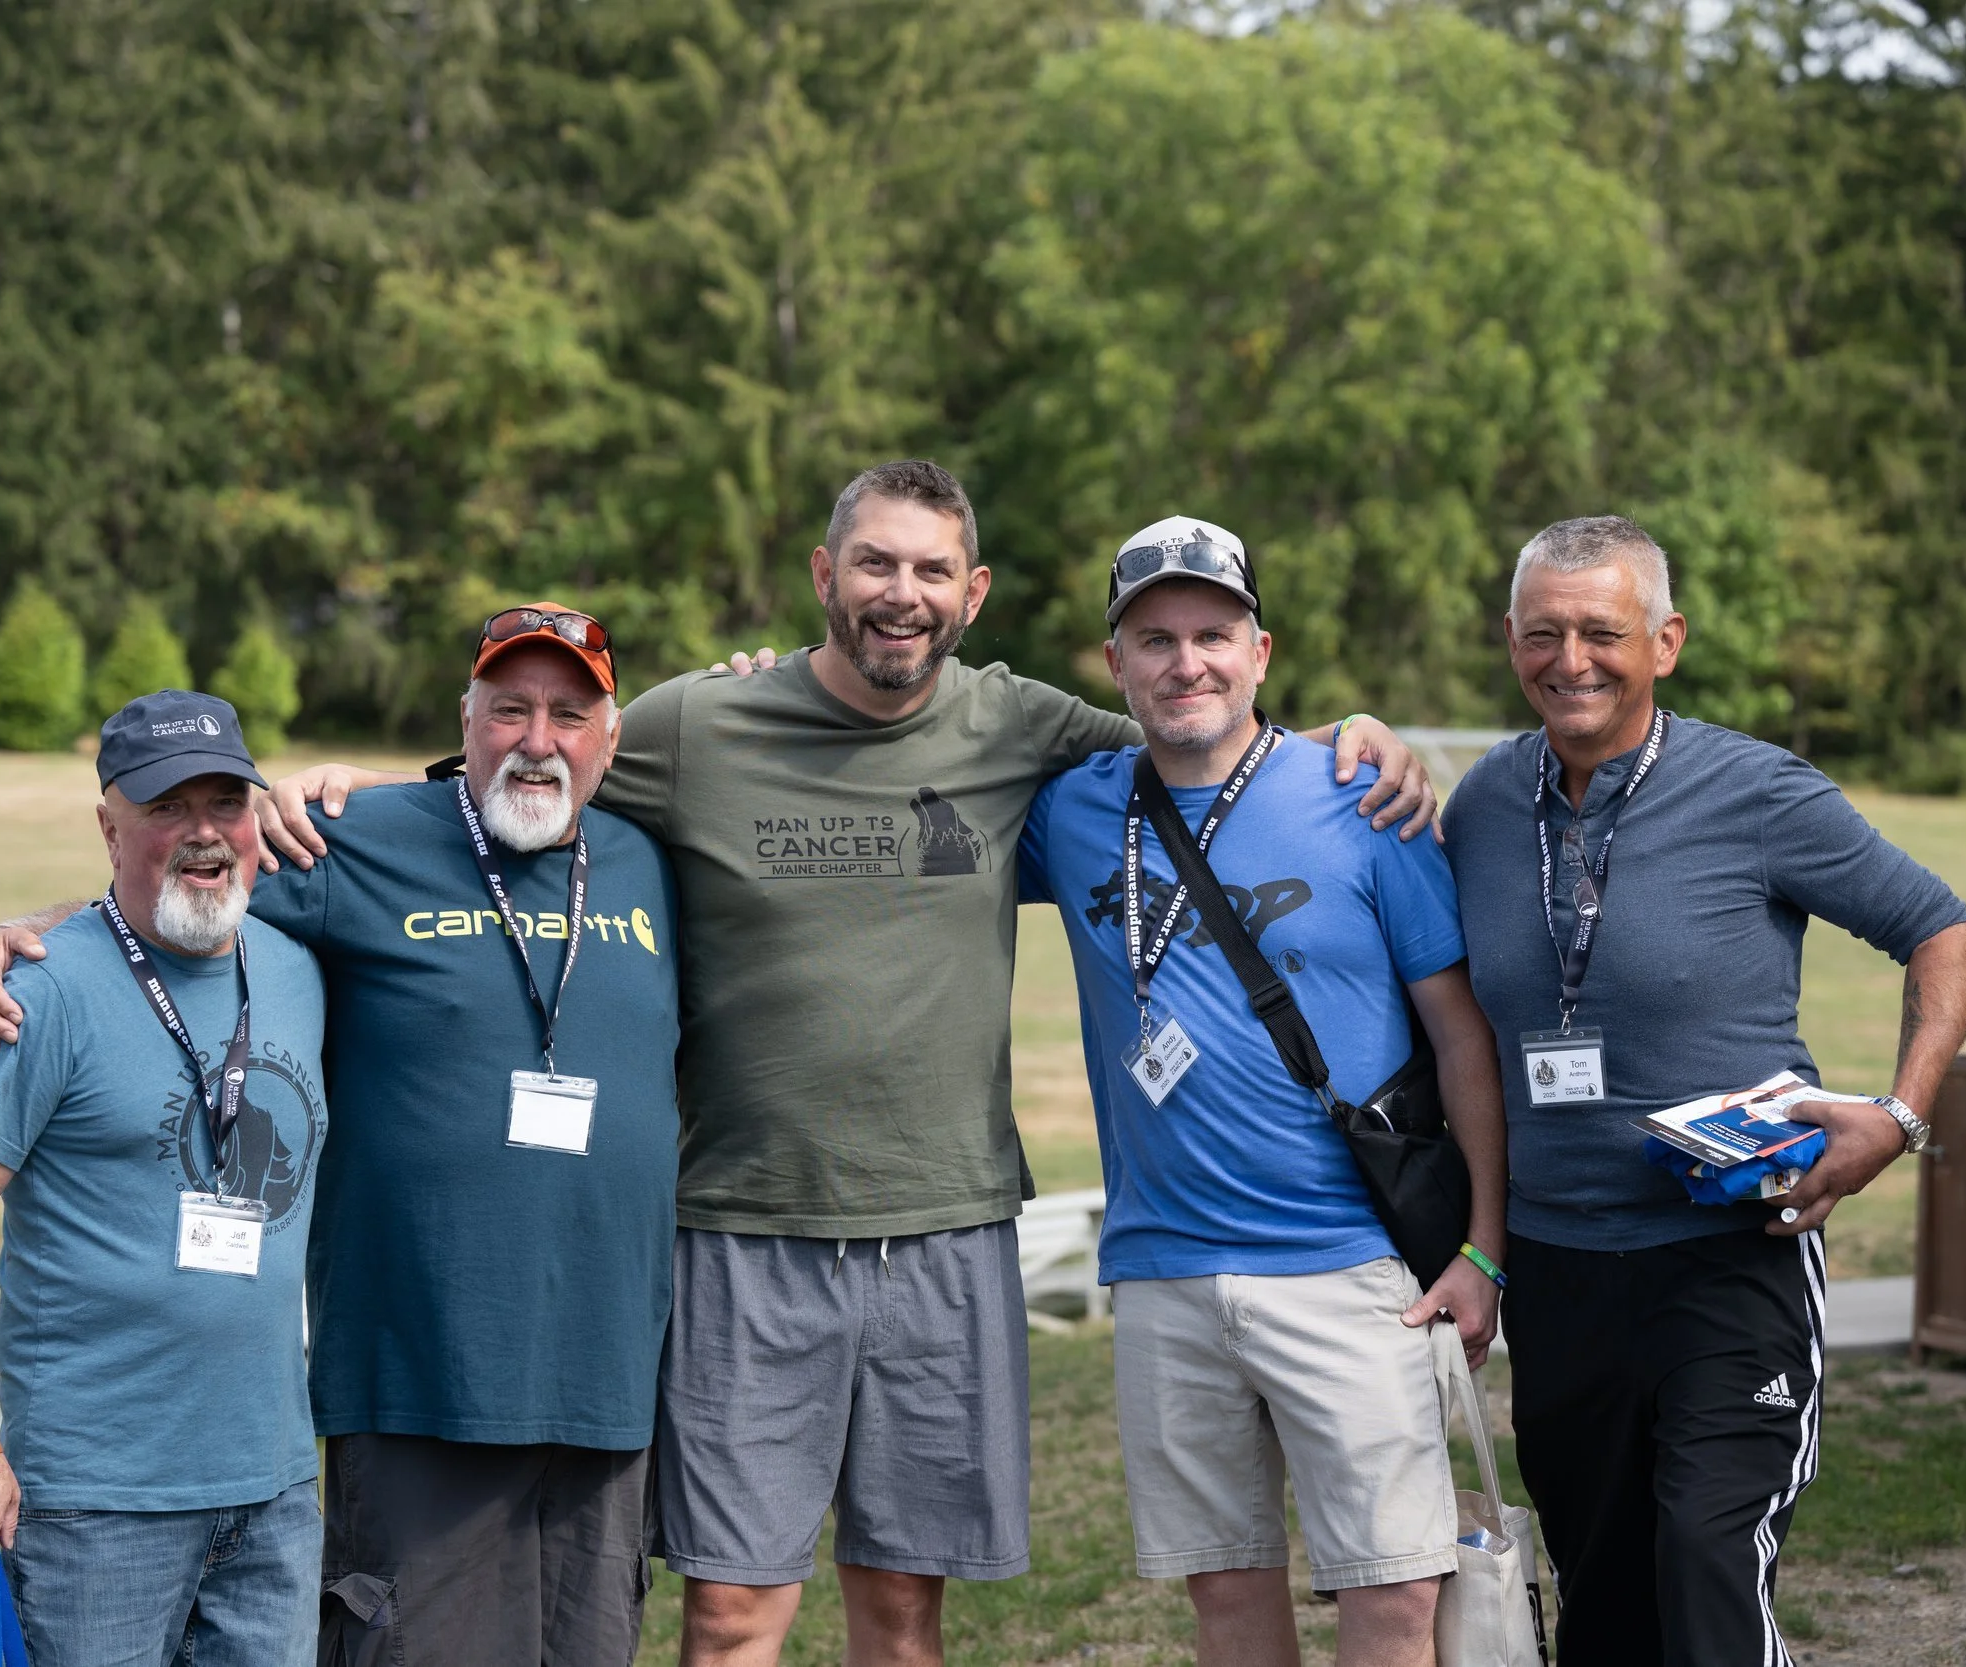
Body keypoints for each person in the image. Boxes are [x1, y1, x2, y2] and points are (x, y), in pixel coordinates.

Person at [248, 461, 1442, 1667]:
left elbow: (1206, 737)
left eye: (931, 570)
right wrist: (344, 794)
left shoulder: (1020, 724)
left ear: (971, 592)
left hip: (946, 1224)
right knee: (726, 1612)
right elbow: (535, 763)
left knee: (904, 1608)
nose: (901, 593)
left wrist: (1357, 736)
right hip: (742, 1227)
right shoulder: (694, 724)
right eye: (874, 562)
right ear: (825, 575)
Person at [0, 608, 681, 1666]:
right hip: (419, 1375)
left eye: (570, 714)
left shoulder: (655, 864)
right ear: (464, 722)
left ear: (609, 739)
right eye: (509, 708)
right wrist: (17, 944)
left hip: (606, 1384)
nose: (537, 738)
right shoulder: (363, 839)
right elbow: (179, 887)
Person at [1440, 516, 1966, 1666]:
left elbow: (1940, 929)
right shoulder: (1482, 805)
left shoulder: (1757, 790)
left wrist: (1896, 1116)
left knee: (1706, 1565)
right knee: (1602, 1598)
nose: (1569, 659)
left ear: (1666, 640)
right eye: (1543, 632)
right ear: (1509, 639)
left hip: (1731, 1255)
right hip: (1561, 1270)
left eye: (1602, 631)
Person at [1019, 518, 1509, 1667]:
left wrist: (1482, 1248)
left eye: (1211, 634)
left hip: (1351, 1269)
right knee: (1228, 1596)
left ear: (1260, 649)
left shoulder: (1361, 797)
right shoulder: (1070, 811)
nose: (1184, 662)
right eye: (1154, 639)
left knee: (1393, 1593)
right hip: (1164, 1272)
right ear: (1115, 664)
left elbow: (1461, 1036)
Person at [0, 690, 329, 1667]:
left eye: (224, 801)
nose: (202, 832)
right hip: (98, 1500)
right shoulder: (37, 989)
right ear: (110, 826)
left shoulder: (303, 967)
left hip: (272, 1484)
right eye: (165, 807)